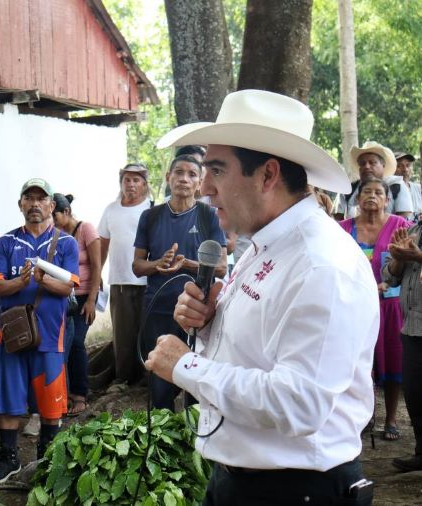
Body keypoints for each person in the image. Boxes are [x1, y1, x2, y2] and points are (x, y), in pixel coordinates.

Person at [147, 89, 377, 504]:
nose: (204, 188)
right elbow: (260, 352)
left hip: (293, 489)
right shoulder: (265, 243)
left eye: (216, 170)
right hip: (241, 479)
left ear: (268, 175)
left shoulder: (322, 265)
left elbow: (298, 403)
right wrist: (211, 321)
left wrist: (186, 366)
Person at [0, 178, 79, 483]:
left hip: (51, 336)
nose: (35, 204)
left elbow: (68, 286)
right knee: (8, 399)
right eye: (29, 198)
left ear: (52, 206)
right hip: (13, 336)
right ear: (20, 205)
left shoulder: (66, 243)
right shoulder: (6, 242)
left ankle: (47, 459)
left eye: (41, 199)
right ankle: (9, 460)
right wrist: (22, 280)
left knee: (51, 402)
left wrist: (41, 281)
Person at [132, 155, 226, 410]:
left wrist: (187, 264)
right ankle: (165, 441)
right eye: (179, 172)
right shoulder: (150, 217)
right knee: (159, 385)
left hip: (198, 314)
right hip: (158, 311)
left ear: (199, 183)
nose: (184, 178)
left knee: (196, 385)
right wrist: (158, 264)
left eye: (192, 174)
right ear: (168, 178)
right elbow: (138, 265)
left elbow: (221, 267)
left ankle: (196, 443)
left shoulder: (209, 216)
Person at [338, 178, 411, 441]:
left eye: (378, 192)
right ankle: (364, 416)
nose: (371, 196)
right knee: (357, 364)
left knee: (393, 361)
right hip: (354, 306)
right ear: (356, 199)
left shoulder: (401, 226)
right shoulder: (343, 229)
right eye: (366, 191)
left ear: (387, 200)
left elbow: (411, 259)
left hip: (390, 307)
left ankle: (391, 419)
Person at [97, 163, 152, 385]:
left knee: (147, 330)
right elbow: (102, 244)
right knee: (122, 335)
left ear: (144, 184)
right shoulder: (111, 209)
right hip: (119, 279)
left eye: (136, 180)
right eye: (126, 179)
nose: (130, 184)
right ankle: (124, 379)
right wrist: (98, 273)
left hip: (147, 280)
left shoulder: (151, 208)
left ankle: (148, 378)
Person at [52, 193, 101, 416]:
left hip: (84, 296)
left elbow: (97, 266)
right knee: (66, 343)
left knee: (78, 342)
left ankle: (80, 394)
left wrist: (91, 300)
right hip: (65, 297)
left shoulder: (85, 229)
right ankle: (65, 392)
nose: (51, 221)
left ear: (67, 212)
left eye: (54, 216)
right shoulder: (56, 235)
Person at [383, 223, 422, 471]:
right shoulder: (414, 229)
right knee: (416, 394)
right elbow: (389, 275)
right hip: (413, 326)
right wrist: (398, 258)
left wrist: (418, 256)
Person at [336, 141, 413, 220]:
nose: (367, 166)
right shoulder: (347, 190)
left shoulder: (396, 186)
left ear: (383, 165)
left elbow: (402, 222)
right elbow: (337, 222)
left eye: (372, 162)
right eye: (362, 163)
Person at [394, 152, 421, 219]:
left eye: (408, 165)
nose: (405, 170)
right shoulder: (388, 190)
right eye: (399, 166)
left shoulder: (419, 188)